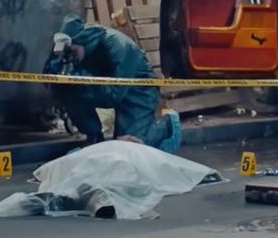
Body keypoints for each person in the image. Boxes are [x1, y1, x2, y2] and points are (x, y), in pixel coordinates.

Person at [45, 15, 180, 151]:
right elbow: (54, 81)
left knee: (131, 145)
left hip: (137, 88)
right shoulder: (77, 49)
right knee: (71, 92)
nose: (70, 56)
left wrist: (80, 81)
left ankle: (167, 124)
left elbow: (114, 96)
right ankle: (94, 137)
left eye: (72, 51)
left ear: (84, 42)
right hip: (106, 86)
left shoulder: (118, 46)